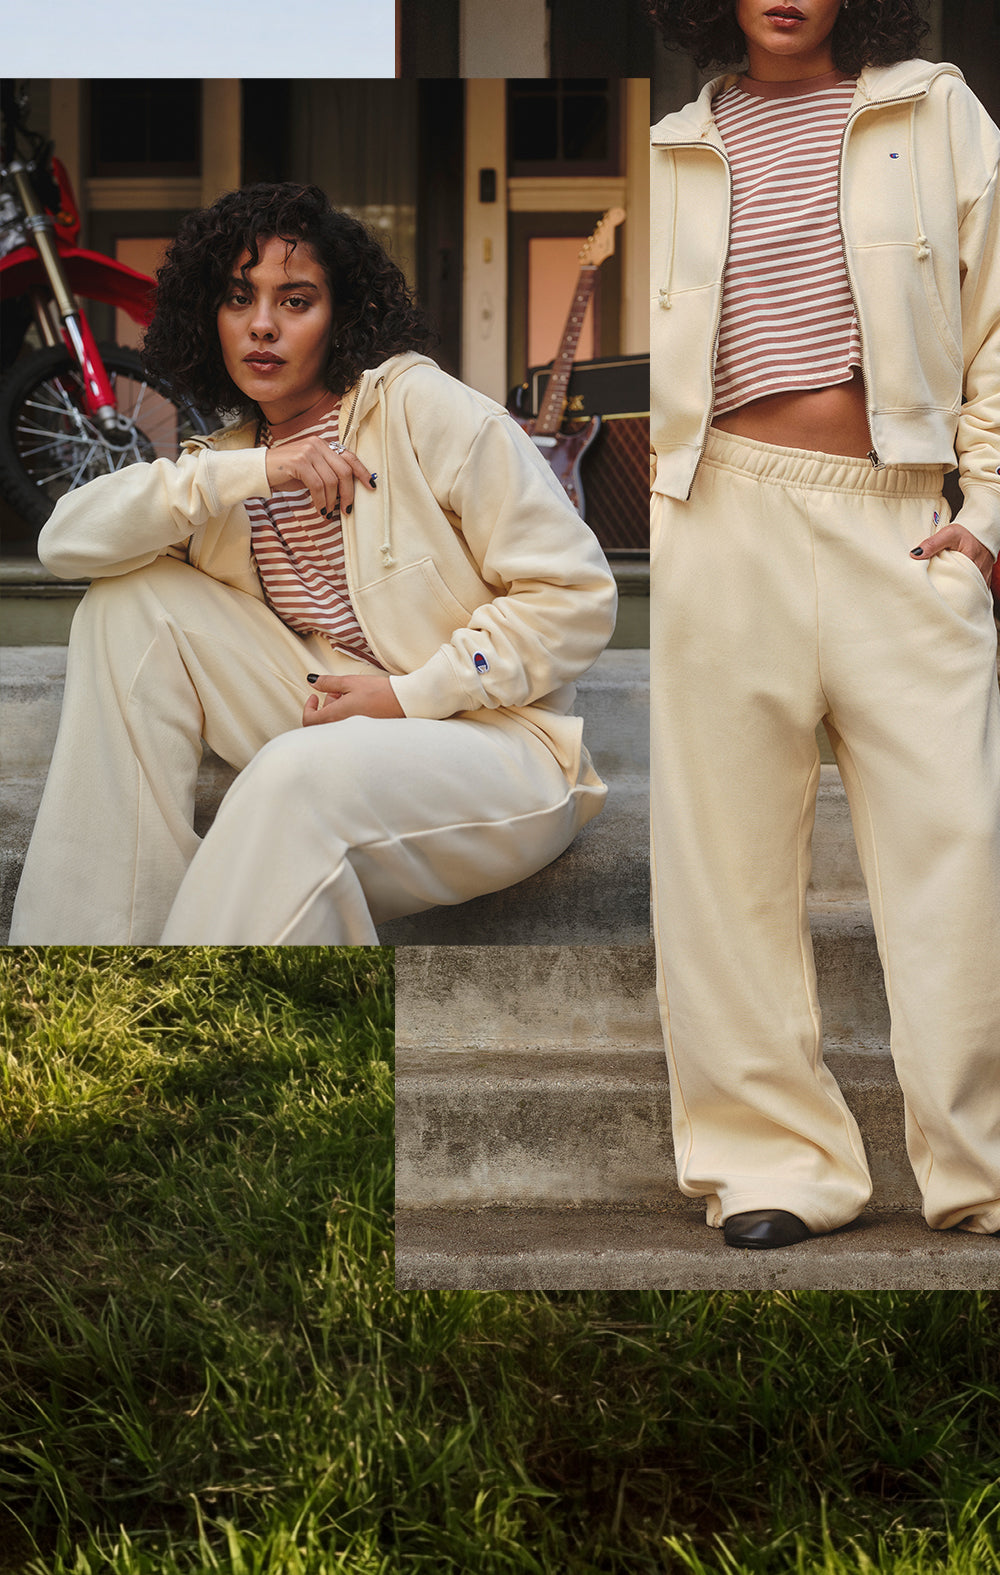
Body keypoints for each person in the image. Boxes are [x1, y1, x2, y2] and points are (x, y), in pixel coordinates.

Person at [10, 183, 617, 944]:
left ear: (341, 318)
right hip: (321, 715)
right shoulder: (228, 466)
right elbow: (65, 542)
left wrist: (408, 694)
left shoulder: (420, 409)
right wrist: (259, 471)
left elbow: (577, 595)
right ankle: (89, 975)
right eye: (239, 298)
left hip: (495, 746)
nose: (262, 326)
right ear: (211, 316)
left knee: (290, 781)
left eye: (295, 302)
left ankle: (180, 1044)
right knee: (124, 604)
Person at [648, 1, 1000, 1245]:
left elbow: (999, 316)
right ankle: (773, 1165)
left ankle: (983, 1164)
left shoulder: (929, 107)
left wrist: (989, 518)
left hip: (899, 519)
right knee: (722, 865)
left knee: (957, 846)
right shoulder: (677, 140)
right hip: (721, 514)